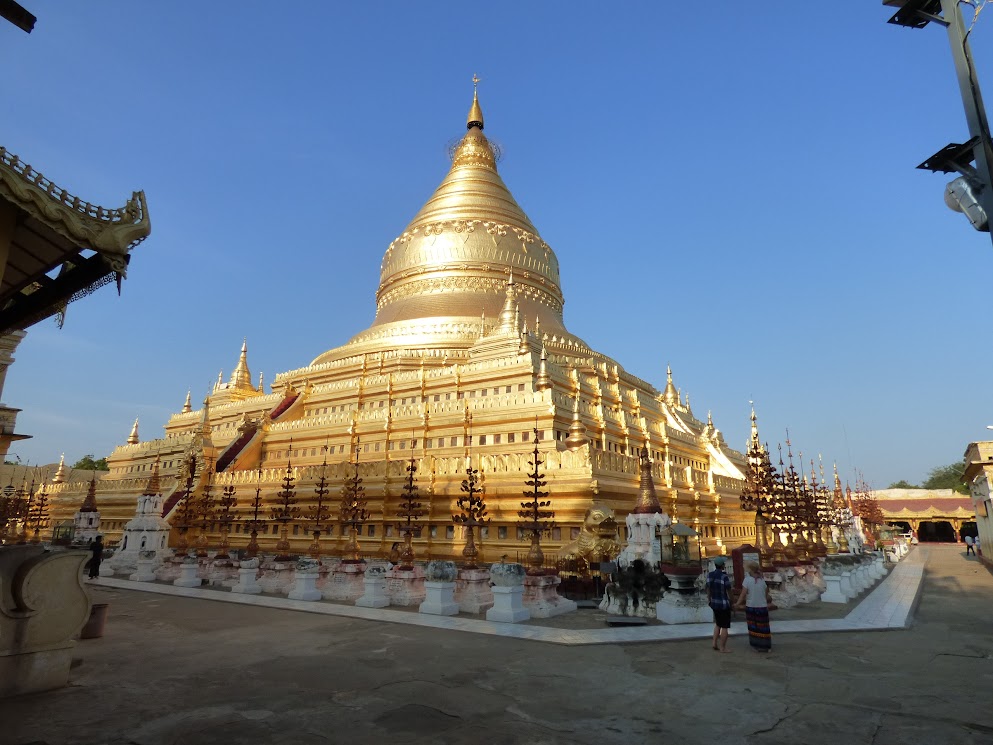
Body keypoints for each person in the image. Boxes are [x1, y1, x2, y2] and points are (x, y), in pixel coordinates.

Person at [735, 561, 773, 653]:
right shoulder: (762, 580)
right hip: (762, 607)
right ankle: (766, 646)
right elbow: (766, 593)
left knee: (753, 627)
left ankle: (756, 645)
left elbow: (743, 594)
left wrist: (737, 604)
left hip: (751, 606)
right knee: (763, 627)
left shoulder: (747, 580)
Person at [706, 556, 732, 653]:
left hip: (714, 603)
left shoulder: (710, 575)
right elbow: (729, 590)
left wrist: (709, 599)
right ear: (723, 566)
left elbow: (708, 589)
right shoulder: (724, 577)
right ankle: (722, 647)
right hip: (724, 603)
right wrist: (732, 601)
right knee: (725, 626)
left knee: (718, 624)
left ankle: (714, 643)